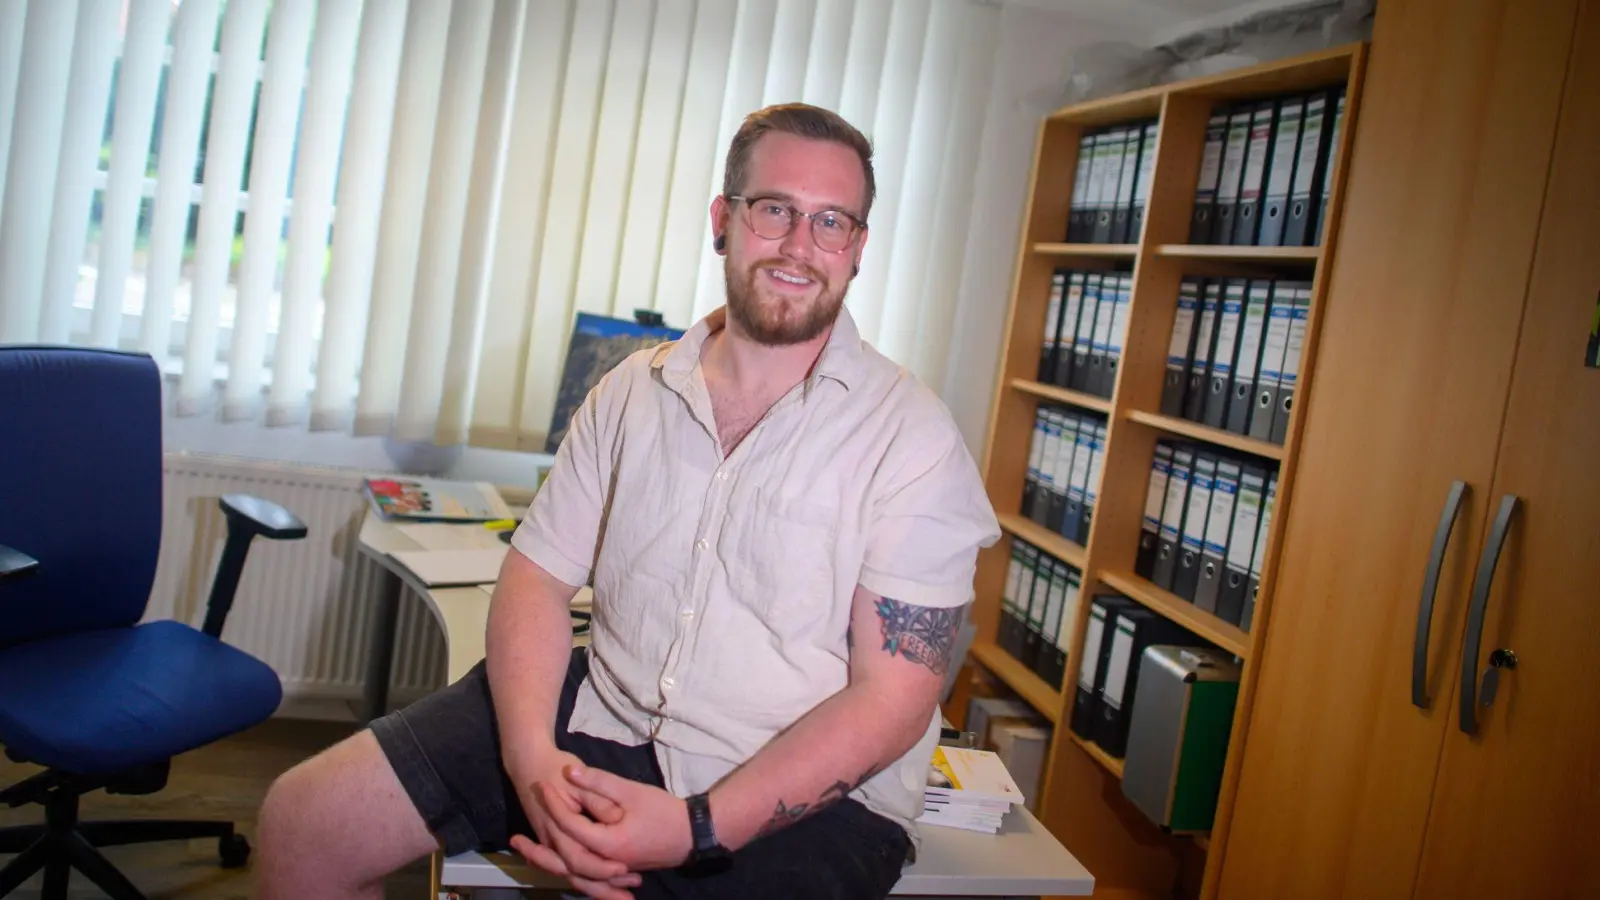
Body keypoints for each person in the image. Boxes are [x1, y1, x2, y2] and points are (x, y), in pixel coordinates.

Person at [256, 102, 1000, 900]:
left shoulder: (913, 438)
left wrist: (696, 826)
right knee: (302, 823)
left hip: (809, 793)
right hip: (607, 709)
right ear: (723, 220)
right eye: (774, 209)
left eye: (830, 222)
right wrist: (531, 760)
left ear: (856, 248)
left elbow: (893, 701)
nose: (798, 245)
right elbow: (537, 580)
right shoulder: (629, 394)